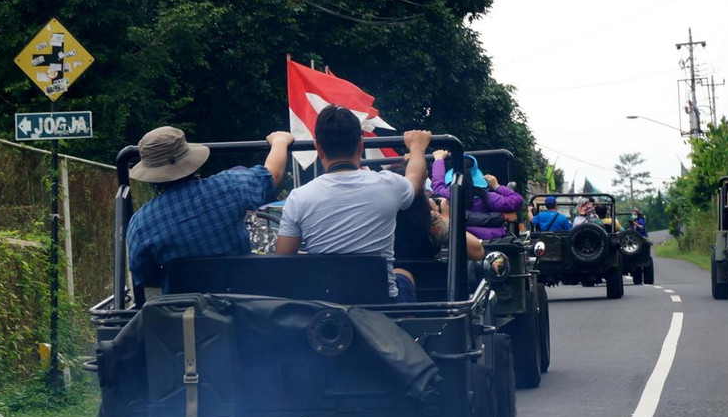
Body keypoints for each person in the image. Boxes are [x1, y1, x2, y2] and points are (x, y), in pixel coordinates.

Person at [273, 105, 430, 301]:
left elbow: (282, 262)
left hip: (327, 312)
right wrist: (417, 147)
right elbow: (415, 175)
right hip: (383, 307)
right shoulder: (389, 185)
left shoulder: (298, 198)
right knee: (404, 275)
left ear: (318, 149)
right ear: (360, 146)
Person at [125, 125, 295, 288]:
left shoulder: (140, 224)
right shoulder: (230, 186)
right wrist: (280, 140)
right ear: (190, 159)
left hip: (181, 312)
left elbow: (145, 277)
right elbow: (272, 175)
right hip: (243, 304)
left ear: (150, 176)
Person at [429, 151, 524, 240]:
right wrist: (497, 186)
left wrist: (438, 160)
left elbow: (437, 184)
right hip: (491, 242)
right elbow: (517, 200)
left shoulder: (448, 195)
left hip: (460, 241)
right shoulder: (488, 197)